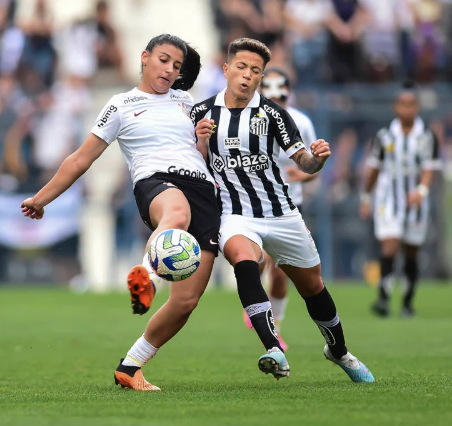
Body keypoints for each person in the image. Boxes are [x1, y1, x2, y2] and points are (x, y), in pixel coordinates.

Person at [21, 34, 220, 391]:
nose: (169, 70)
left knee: (187, 302)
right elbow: (81, 158)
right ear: (144, 58)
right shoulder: (121, 104)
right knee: (177, 214)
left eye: (176, 65)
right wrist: (41, 199)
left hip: (203, 192)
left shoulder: (186, 102)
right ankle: (145, 279)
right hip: (157, 184)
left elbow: (199, 155)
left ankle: (130, 367)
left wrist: (203, 139)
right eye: (163, 60)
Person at [193, 37, 374, 383]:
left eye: (256, 71)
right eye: (242, 67)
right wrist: (199, 142)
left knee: (313, 287)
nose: (247, 76)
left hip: (281, 213)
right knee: (245, 263)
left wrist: (317, 160)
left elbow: (303, 162)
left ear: (261, 78)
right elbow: (193, 166)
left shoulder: (274, 114)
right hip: (234, 213)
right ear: (227, 69)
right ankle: (273, 347)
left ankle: (339, 352)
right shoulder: (201, 114)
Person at [240, 67, 318, 351]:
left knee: (283, 272)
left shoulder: (301, 121)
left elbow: (313, 165)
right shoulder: (250, 118)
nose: (274, 95)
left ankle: (276, 326)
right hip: (255, 203)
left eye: (279, 89)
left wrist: (304, 173)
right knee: (255, 260)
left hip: (289, 204)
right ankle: (254, 302)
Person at [360, 82, 441, 318]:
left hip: (415, 201)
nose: (407, 109)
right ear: (396, 107)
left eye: (412, 104)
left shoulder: (426, 136)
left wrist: (422, 190)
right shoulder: (385, 136)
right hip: (389, 198)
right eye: (403, 104)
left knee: (412, 251)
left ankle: (407, 302)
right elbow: (373, 169)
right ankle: (383, 298)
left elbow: (429, 169)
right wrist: (366, 196)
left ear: (417, 107)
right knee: (390, 244)